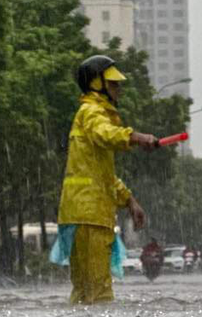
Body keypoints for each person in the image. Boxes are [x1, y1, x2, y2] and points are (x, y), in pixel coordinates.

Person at [55, 55, 160, 304]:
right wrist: (137, 137)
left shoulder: (89, 114)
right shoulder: (92, 113)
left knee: (83, 293)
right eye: (114, 84)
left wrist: (130, 201)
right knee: (99, 293)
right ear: (96, 84)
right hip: (89, 215)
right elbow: (107, 134)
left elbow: (103, 175)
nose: (119, 89)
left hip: (81, 214)